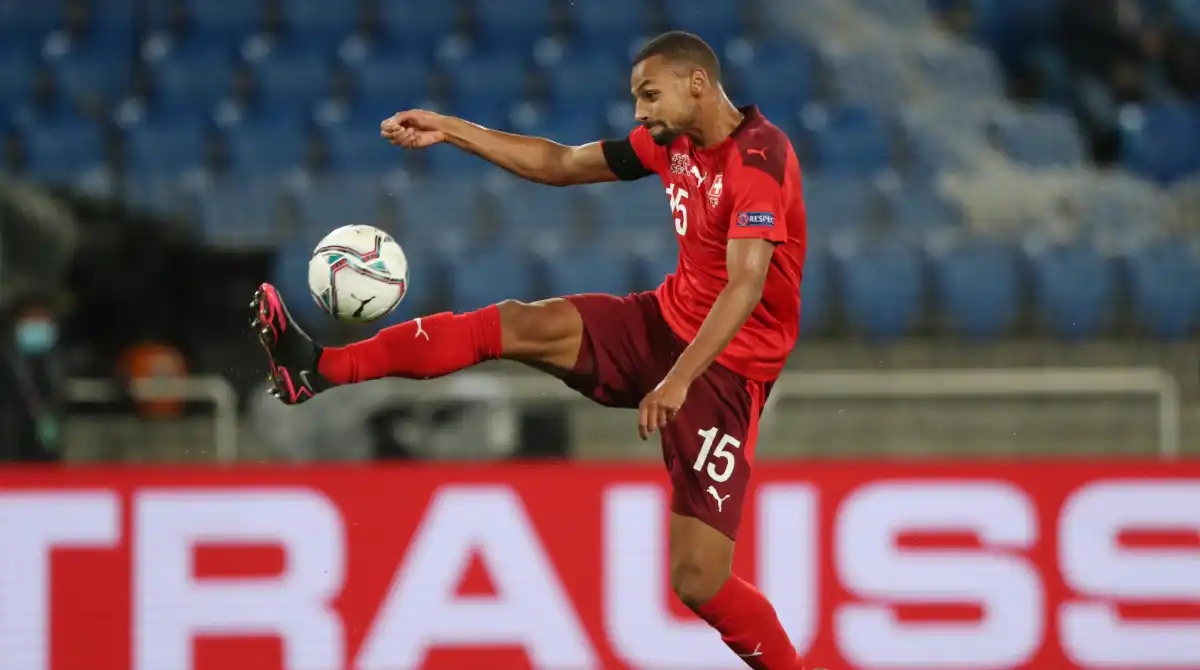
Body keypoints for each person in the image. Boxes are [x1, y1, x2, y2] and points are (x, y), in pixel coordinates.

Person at [252, 31, 808, 670]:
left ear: (697, 84)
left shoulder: (759, 157)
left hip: (724, 370)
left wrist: (679, 380)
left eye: (648, 95)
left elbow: (746, 285)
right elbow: (561, 164)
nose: (639, 113)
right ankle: (317, 369)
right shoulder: (670, 143)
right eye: (636, 98)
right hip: (663, 322)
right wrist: (450, 129)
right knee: (514, 323)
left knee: (698, 580)